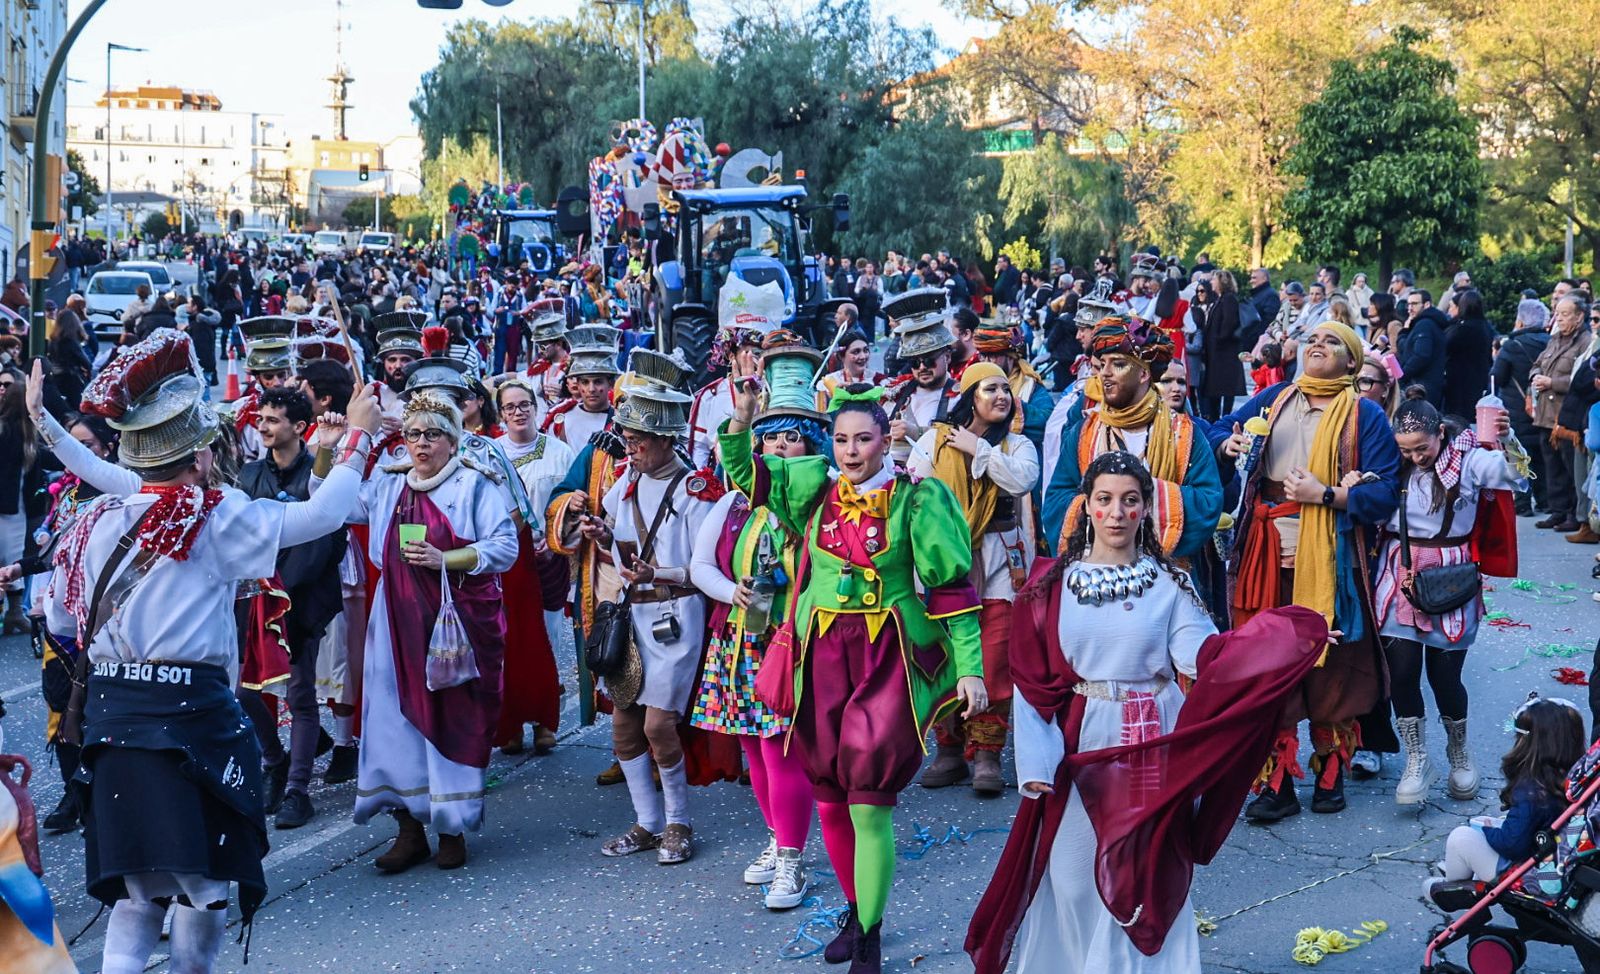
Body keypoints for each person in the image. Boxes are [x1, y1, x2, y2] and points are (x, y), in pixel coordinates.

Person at [32, 329, 379, 974]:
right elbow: (322, 516)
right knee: (205, 884)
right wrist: (357, 437)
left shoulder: (98, 516)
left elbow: (58, 616)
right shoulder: (216, 517)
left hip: (112, 719)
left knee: (138, 892)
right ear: (196, 460)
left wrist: (44, 424)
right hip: (191, 720)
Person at [964, 451, 1327, 974]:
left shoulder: (1168, 583)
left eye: (1130, 501)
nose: (1117, 512)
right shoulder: (1048, 588)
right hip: (1082, 742)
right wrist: (1036, 767)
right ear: (1085, 507)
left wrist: (1285, 645)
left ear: (1145, 510)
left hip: (1151, 737)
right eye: (1105, 499)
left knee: (1141, 876)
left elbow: (1205, 657)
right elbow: (1032, 682)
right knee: (1068, 876)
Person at [719, 379, 986, 974]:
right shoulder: (811, 486)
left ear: (885, 439)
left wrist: (970, 669)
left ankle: (868, 930)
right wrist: (740, 417)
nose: (850, 450)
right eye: (840, 439)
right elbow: (745, 473)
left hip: (885, 655)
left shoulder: (919, 499)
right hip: (820, 657)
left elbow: (951, 590)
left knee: (868, 802)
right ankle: (853, 904)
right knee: (831, 800)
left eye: (863, 439)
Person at [1214, 321, 1401, 820]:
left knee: (1332, 661)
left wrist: (1325, 494)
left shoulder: (1365, 416)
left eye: (1332, 341)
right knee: (1266, 663)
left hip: (1331, 554)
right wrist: (1226, 445)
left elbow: (1383, 494)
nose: (1318, 345)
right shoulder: (1275, 398)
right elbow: (1217, 430)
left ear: (1352, 362)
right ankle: (1276, 782)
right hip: (1263, 550)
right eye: (1314, 339)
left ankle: (1331, 771)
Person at [332, 388, 517, 872]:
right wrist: (327, 450)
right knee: (392, 723)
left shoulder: (474, 486)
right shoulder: (388, 482)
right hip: (392, 624)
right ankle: (408, 829)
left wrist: (446, 558)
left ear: (453, 441)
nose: (421, 443)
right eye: (413, 434)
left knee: (448, 717)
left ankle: (451, 828)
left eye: (433, 434)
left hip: (450, 627)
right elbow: (334, 507)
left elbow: (505, 547)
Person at [688, 335, 827, 908]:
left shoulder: (813, 498)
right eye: (770, 435)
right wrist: (733, 589)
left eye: (790, 436)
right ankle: (777, 840)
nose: (777, 445)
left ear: (813, 444)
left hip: (788, 641)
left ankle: (793, 859)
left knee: (781, 749)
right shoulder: (736, 503)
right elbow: (699, 564)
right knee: (752, 745)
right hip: (738, 636)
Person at [594, 350, 722, 866]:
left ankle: (678, 821)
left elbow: (704, 570)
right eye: (627, 437)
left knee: (657, 727)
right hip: (633, 618)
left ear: (667, 439)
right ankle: (646, 823)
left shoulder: (697, 492)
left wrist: (658, 574)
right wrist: (605, 537)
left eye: (639, 439)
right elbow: (622, 552)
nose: (631, 446)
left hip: (677, 619)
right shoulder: (623, 483)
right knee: (623, 726)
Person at [1374, 394, 1523, 806]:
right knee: (1401, 672)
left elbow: (1512, 475)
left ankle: (1459, 752)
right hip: (1398, 570)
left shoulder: (1468, 458)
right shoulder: (1390, 463)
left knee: (1445, 676)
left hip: (1449, 573)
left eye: (1423, 447)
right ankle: (1417, 759)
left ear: (1440, 432)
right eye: (1407, 449)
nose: (1416, 456)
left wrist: (1508, 441)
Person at [908, 362, 1040, 796]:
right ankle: (948, 748)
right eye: (991, 388)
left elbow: (1022, 481)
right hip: (948, 563)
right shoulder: (935, 440)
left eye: (1007, 388)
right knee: (946, 656)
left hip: (1001, 565)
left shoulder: (1018, 445)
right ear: (969, 396)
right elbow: (917, 489)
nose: (1003, 395)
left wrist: (978, 450)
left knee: (993, 659)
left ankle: (986, 753)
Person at [235, 386, 349, 830]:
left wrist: (286, 587)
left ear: (300, 428)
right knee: (246, 693)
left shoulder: (322, 474)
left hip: (302, 598)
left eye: (273, 419)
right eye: (261, 419)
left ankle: (298, 790)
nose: (262, 426)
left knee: (300, 693)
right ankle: (275, 760)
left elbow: (326, 540)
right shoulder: (248, 476)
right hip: (256, 596)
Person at [1044, 317, 1224, 563]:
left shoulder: (1184, 434)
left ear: (1142, 373)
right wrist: (1104, 507)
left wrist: (1139, 496)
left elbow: (1208, 500)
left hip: (1165, 574)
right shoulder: (1083, 432)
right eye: (1103, 363)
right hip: (1096, 570)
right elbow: (1056, 500)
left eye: (1117, 364)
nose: (1104, 373)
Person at [491, 378, 576, 755]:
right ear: (500, 414)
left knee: (547, 637)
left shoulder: (559, 453)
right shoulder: (487, 453)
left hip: (547, 558)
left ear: (535, 407)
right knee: (504, 642)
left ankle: (545, 720)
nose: (518, 412)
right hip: (503, 562)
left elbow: (574, 502)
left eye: (524, 404)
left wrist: (555, 539)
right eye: (510, 407)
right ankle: (509, 723)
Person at [1423, 697, 1584, 895]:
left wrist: (1487, 832)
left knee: (1460, 838)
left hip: (1527, 871)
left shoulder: (1532, 791)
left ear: (1528, 743)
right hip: (1552, 857)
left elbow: (1512, 845)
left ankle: (1454, 891)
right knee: (1490, 824)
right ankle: (1462, 872)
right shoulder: (1573, 778)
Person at [1530, 295, 1591, 532]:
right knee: (1551, 465)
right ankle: (1557, 511)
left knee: (1570, 466)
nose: (1560, 318)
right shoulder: (1554, 339)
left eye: (1566, 313)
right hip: (1546, 414)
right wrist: (1535, 376)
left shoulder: (1585, 342)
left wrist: (1552, 382)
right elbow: (1537, 364)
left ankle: (1574, 514)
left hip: (1567, 416)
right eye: (1558, 312)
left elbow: (1581, 378)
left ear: (1579, 316)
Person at [883, 290, 961, 467]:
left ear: (947, 357)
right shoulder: (895, 392)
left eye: (929, 360)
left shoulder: (961, 397)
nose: (923, 367)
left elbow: (967, 439)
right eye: (915, 362)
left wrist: (917, 432)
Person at [1493, 300, 1552, 515]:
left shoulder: (1512, 345)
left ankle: (1523, 503)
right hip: (1545, 408)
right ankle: (1545, 500)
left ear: (1520, 320)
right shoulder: (1551, 342)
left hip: (1517, 409)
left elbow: (1497, 376)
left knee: (1518, 454)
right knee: (1543, 455)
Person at [687, 327, 762, 472]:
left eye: (758, 353)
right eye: (746, 352)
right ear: (731, 356)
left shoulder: (773, 391)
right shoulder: (711, 396)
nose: (752, 358)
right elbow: (699, 449)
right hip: (724, 478)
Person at [1197, 270, 1245, 419]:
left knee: (1225, 387)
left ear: (1221, 282)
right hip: (1217, 352)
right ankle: (1215, 415)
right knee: (1216, 388)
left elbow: (1229, 323)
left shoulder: (1228, 299)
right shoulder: (1219, 299)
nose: (1211, 282)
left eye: (1214, 280)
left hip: (1224, 352)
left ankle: (1225, 416)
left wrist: (1218, 339)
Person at [1442, 289, 1496, 421]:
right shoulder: (1486, 327)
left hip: (1459, 379)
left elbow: (1446, 345)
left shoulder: (1461, 329)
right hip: (1479, 375)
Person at [1399, 289, 1448, 406]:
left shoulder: (1424, 324)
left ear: (1426, 305)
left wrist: (1402, 375)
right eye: (1408, 304)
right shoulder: (1426, 323)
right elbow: (1407, 348)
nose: (1409, 308)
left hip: (1421, 388)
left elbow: (1421, 355)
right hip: (1426, 385)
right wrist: (1404, 332)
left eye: (1414, 304)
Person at [819, 329, 883, 409]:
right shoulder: (827, 383)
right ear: (841, 356)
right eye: (856, 352)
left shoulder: (879, 381)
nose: (863, 356)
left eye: (866, 350)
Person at [1357, 352, 1401, 418]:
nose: (1354, 388)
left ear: (1385, 390)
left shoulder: (1394, 426)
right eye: (1350, 381)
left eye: (1365, 382)